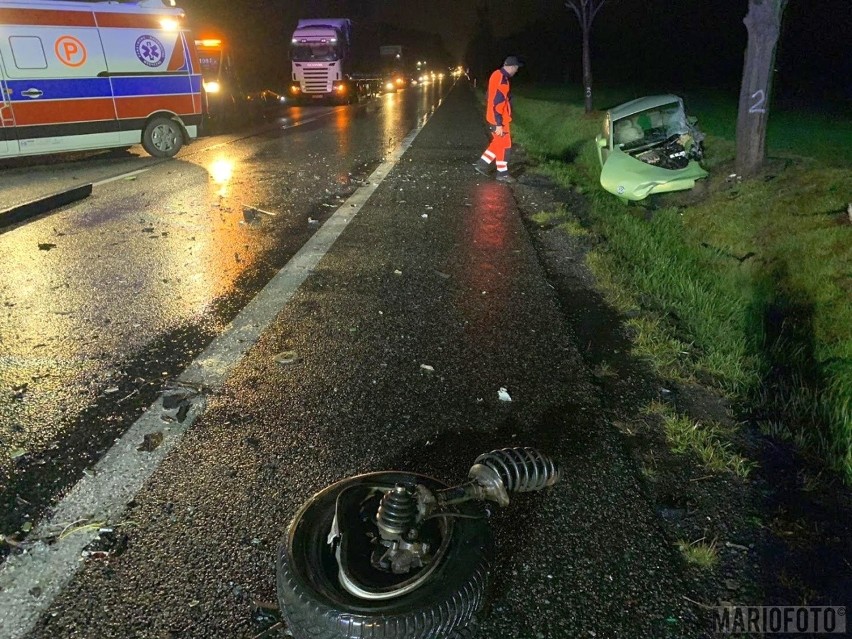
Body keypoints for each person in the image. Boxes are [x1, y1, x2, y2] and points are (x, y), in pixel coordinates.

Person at [474, 56, 523, 183]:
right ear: (511, 67)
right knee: (505, 145)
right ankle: (502, 173)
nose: (516, 71)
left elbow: (489, 95)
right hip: (499, 119)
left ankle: (482, 164)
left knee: (497, 143)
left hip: (495, 116)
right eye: (516, 68)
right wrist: (499, 123)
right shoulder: (502, 79)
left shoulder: (497, 75)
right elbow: (498, 102)